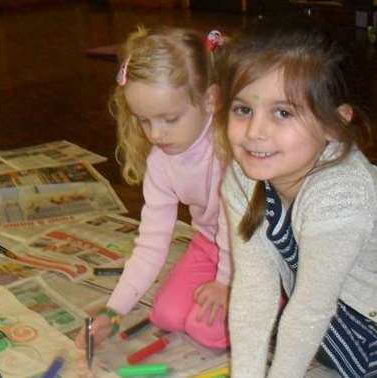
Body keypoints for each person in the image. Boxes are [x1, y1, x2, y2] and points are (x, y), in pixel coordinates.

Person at [215, 19, 377, 377]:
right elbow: (254, 288)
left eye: (283, 113)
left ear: (335, 124)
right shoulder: (244, 175)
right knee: (319, 344)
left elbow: (310, 308)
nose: (255, 132)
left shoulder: (342, 195)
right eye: (243, 109)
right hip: (360, 283)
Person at [75, 26, 231, 351]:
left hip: (258, 252)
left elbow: (246, 229)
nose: (155, 134)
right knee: (167, 316)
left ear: (210, 99)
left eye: (169, 119)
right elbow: (151, 244)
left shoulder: (231, 150)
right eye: (144, 121)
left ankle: (282, 297)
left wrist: (227, 282)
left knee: (205, 330)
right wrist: (113, 311)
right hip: (209, 244)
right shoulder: (161, 160)